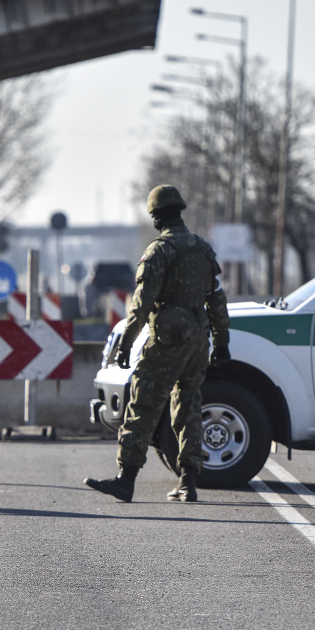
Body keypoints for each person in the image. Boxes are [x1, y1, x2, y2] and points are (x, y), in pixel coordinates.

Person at [85, 185, 230, 503]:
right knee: (189, 405)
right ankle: (188, 481)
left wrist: (126, 344)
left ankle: (126, 479)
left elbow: (140, 306)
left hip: (166, 339)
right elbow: (216, 299)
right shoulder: (202, 249)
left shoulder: (159, 251)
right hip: (198, 340)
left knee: (143, 405)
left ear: (156, 215)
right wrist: (221, 342)